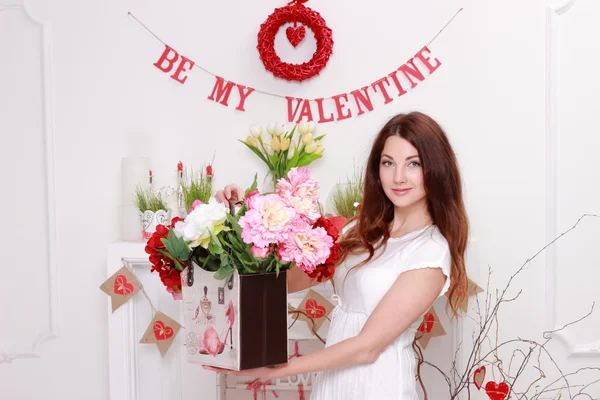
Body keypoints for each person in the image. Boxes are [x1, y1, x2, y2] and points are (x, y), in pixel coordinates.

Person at [206, 112, 469, 399]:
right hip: (333, 382)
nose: (398, 177)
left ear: (436, 169)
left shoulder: (430, 251)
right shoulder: (359, 230)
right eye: (388, 163)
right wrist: (243, 217)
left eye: (413, 164)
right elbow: (286, 282)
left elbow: (367, 347)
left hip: (379, 385)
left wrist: (279, 369)